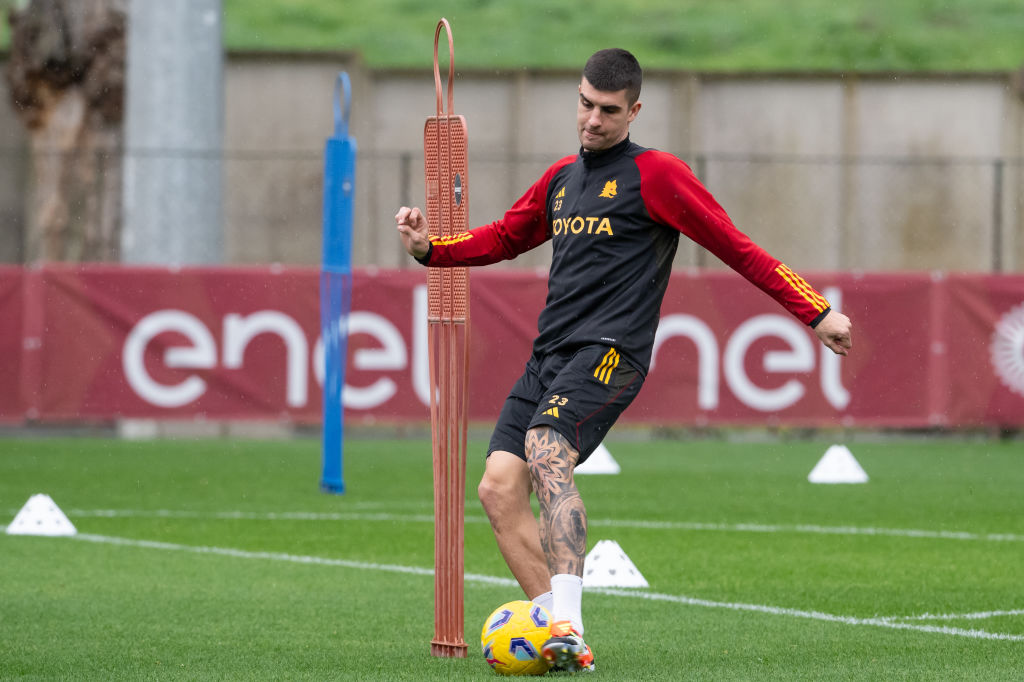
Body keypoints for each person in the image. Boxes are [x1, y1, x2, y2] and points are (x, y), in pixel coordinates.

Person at [396, 48, 852, 673]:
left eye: (609, 111)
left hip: (611, 354)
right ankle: (563, 645)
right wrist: (430, 250)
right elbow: (504, 237)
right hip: (550, 356)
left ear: (634, 111)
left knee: (546, 448)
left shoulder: (658, 176)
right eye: (585, 104)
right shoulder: (561, 177)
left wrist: (815, 311)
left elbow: (736, 246)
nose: (592, 120)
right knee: (499, 491)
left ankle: (566, 624)